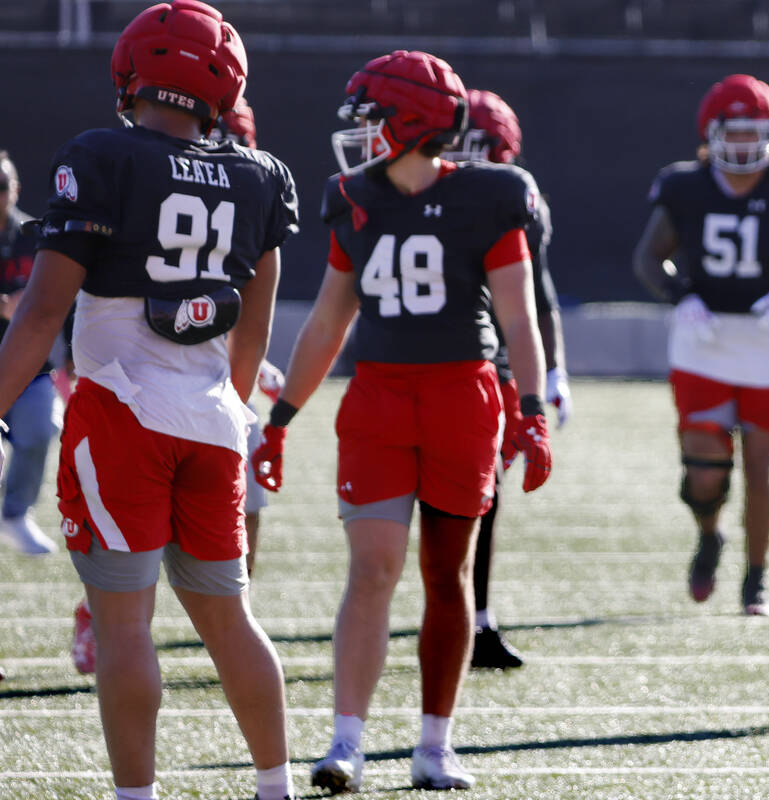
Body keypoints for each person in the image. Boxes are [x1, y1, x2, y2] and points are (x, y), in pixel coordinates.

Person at [0, 3, 300, 799]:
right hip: (209, 416)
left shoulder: (102, 156)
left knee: (124, 626)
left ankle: (137, 796)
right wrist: (231, 411)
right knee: (230, 620)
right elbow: (256, 322)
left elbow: (41, 312)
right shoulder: (260, 173)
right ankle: (277, 788)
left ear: (134, 73)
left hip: (122, 413)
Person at [249, 50, 552, 793]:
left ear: (412, 120)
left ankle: (434, 744)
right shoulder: (353, 197)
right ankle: (345, 742)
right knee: (373, 568)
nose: (356, 132)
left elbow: (519, 316)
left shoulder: (490, 195)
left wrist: (534, 411)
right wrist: (283, 418)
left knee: (446, 575)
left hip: (463, 396)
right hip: (380, 399)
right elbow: (327, 323)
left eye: (370, 116)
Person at [69, 97, 281, 676]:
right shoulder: (184, 176)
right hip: (186, 393)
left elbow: (241, 309)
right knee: (133, 574)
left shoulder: (247, 181)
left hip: (196, 388)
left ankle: (225, 605)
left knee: (236, 518)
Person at [633, 73, 769, 616]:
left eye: (755, 133)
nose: (745, 145)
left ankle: (756, 581)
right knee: (703, 473)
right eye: (735, 132)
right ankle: (710, 533)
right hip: (703, 339)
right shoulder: (683, 185)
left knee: (759, 469)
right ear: (712, 133)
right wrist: (680, 293)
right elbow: (647, 259)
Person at [444, 88, 571, 669]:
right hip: (426, 360)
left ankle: (473, 616)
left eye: (484, 154)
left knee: (482, 492)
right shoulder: (414, 194)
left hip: (492, 362)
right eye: (462, 152)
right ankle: (458, 614)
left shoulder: (521, 203)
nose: (472, 168)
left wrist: (554, 371)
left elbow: (537, 297)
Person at [0, 149, 61, 556]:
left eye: (2, 185)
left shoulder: (33, 235)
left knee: (41, 429)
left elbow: (62, 287)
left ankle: (14, 514)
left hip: (29, 361)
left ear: (15, 189)